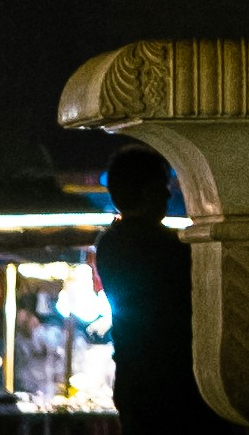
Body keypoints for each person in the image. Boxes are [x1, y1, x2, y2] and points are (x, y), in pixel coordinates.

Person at [87, 147, 194, 431]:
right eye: (163, 187)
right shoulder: (163, 247)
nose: (169, 196)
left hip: (136, 383)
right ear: (145, 192)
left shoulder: (110, 243)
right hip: (173, 386)